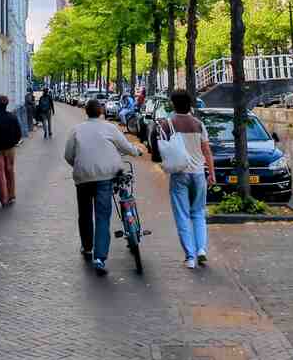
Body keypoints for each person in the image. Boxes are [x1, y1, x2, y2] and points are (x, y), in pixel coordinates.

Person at [64, 98, 143, 275]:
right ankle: (99, 257)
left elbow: (68, 155)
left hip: (83, 178)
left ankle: (87, 247)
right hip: (104, 178)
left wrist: (81, 166)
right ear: (100, 111)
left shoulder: (76, 130)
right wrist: (136, 151)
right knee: (102, 216)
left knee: (84, 214)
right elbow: (125, 146)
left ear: (86, 111)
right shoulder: (109, 127)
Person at [158, 89, 216, 269]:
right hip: (198, 173)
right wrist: (211, 173)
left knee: (182, 215)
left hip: (179, 174)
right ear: (190, 104)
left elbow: (162, 149)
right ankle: (201, 250)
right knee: (198, 213)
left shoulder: (167, 124)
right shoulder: (199, 124)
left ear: (173, 104)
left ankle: (190, 257)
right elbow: (207, 150)